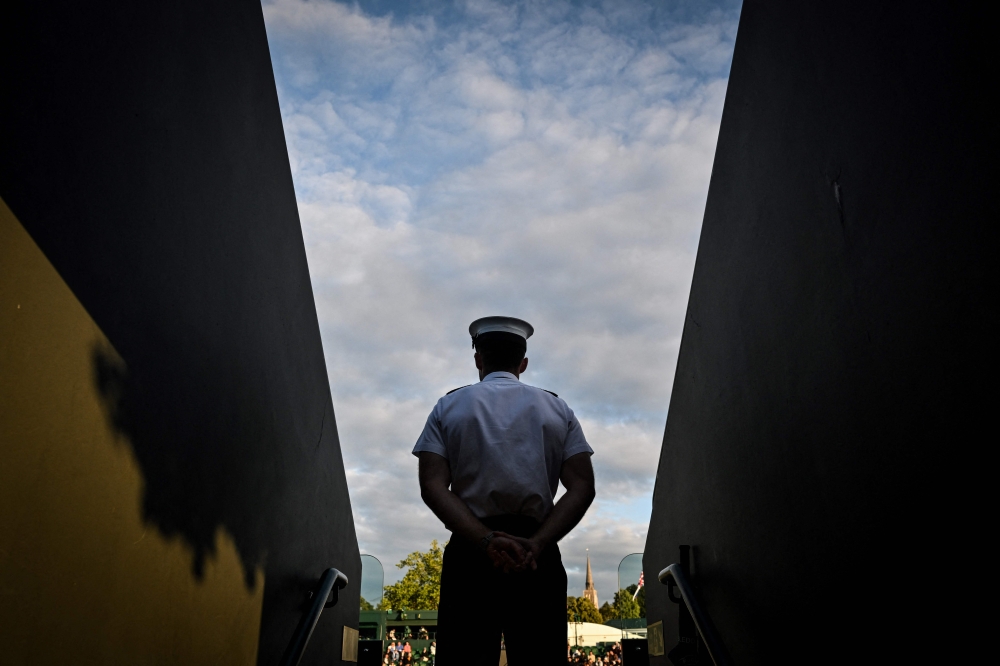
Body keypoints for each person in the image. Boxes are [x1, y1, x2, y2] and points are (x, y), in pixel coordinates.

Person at [414, 316, 596, 666]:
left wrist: (484, 541)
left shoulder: (447, 407)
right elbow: (582, 486)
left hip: (470, 552)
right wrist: (539, 543)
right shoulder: (558, 409)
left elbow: (433, 485)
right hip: (536, 555)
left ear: (478, 358)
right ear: (523, 363)